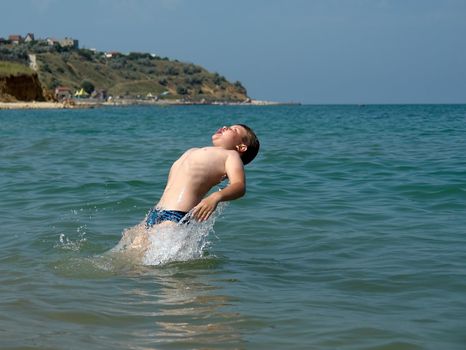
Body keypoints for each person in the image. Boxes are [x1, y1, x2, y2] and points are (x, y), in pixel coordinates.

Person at [117, 124, 260, 252]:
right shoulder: (195, 150)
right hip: (154, 214)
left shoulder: (231, 155)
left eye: (234, 129)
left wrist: (215, 197)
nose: (225, 126)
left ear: (241, 147)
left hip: (176, 217)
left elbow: (239, 186)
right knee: (131, 264)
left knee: (164, 274)